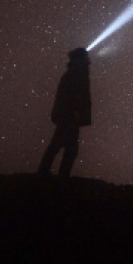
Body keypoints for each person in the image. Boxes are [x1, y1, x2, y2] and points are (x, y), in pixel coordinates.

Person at [37, 47, 92, 177]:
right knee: (66, 147)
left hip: (68, 115)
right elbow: (75, 95)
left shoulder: (75, 72)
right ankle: (57, 176)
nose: (88, 59)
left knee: (62, 145)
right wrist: (76, 111)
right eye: (85, 57)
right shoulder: (76, 73)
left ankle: (47, 173)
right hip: (69, 116)